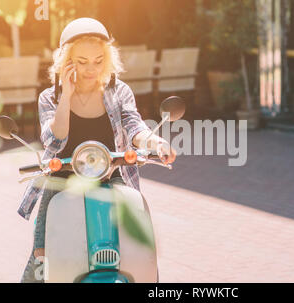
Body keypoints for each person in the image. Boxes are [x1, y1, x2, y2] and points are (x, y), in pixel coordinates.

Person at [19, 18, 176, 283]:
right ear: (66, 61)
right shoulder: (50, 97)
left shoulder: (119, 91)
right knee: (41, 257)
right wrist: (66, 96)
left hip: (110, 175)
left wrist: (155, 142)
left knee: (142, 246)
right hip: (63, 178)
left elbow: (134, 126)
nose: (91, 68)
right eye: (81, 61)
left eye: (98, 60)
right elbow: (53, 142)